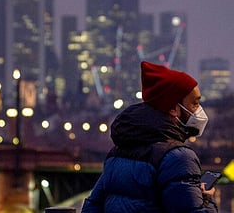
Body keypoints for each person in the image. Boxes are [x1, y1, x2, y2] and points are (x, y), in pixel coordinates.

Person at [81, 61, 218, 212]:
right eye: (195, 104)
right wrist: (207, 200)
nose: (199, 110)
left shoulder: (117, 152)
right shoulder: (179, 158)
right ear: (173, 108)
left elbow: (92, 207)